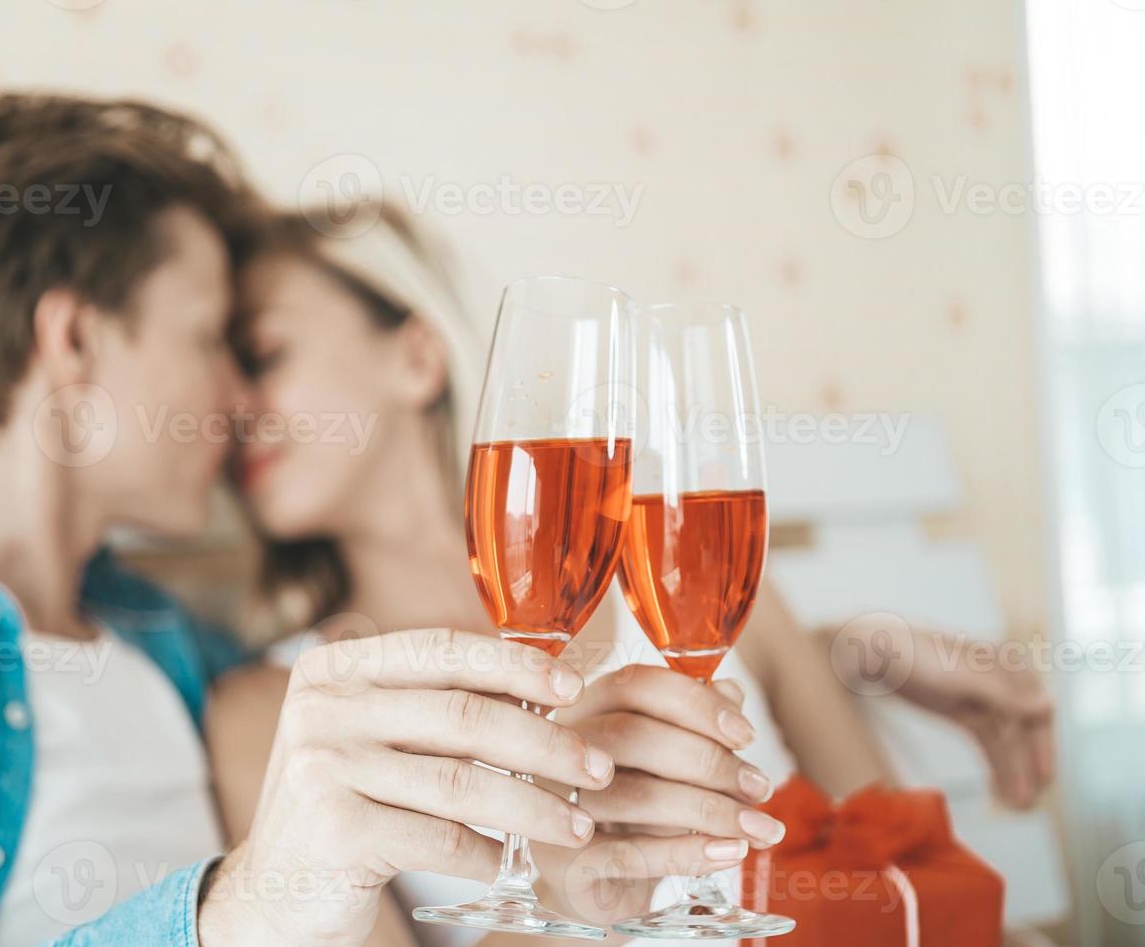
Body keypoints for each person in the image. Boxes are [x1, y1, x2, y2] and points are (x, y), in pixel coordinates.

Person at [0, 94, 763, 947]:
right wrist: (230, 914)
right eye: (209, 339)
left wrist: (578, 873)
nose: (241, 403)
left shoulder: (191, 656)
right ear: (72, 340)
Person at [209, 204, 1055, 944]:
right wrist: (580, 892)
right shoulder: (283, 715)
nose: (228, 405)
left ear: (417, 358)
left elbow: (887, 869)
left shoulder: (708, 596)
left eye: (261, 354)